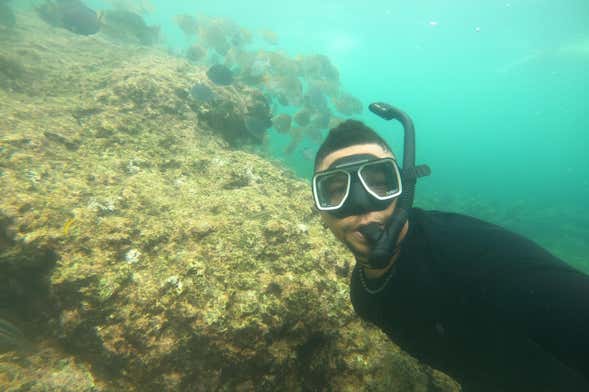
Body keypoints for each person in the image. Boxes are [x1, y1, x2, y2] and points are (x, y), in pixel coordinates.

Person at [312, 111, 589, 391]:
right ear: (319, 210)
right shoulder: (365, 296)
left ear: (404, 186)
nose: (362, 204)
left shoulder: (471, 250)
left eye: (380, 184)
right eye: (336, 191)